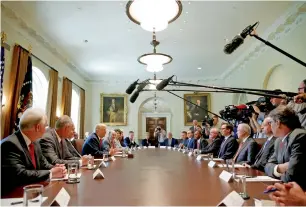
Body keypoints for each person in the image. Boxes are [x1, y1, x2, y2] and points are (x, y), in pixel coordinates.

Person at [1, 108, 66, 195]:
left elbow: (44, 164)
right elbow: (21, 174)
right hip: (13, 197)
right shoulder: (10, 144)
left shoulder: (35, 142)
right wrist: (51, 173)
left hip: (34, 192)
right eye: (45, 126)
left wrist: (55, 168)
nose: (46, 129)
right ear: (38, 127)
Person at [265, 105, 306, 190]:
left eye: (271, 122)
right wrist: (280, 168)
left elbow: (293, 173)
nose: (270, 126)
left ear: (278, 123)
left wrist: (277, 186)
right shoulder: (278, 141)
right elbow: (268, 166)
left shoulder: (299, 136)